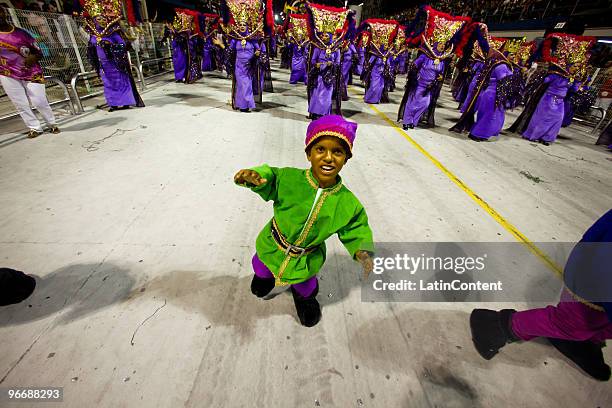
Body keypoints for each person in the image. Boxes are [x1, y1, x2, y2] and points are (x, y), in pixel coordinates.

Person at [234, 115, 374, 327]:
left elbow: (356, 227)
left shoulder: (348, 203)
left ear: (346, 158)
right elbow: (270, 175)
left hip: (306, 257)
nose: (328, 158)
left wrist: (363, 250)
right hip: (273, 244)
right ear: (309, 154)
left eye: (337, 152)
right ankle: (264, 278)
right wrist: (255, 176)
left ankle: (304, 300)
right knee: (261, 266)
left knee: (305, 284)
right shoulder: (288, 178)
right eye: (320, 150)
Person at [470, 209, 612, 381]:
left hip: (598, 263)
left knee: (592, 324)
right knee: (574, 321)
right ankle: (496, 327)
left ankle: (582, 339)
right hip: (597, 270)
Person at [510, 33, 596, 146]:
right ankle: (534, 135)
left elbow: (575, 89)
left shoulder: (572, 78)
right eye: (574, 66)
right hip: (548, 99)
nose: (576, 68)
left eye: (577, 67)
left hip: (560, 101)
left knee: (557, 119)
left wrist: (580, 86)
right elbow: (543, 81)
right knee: (542, 118)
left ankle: (547, 138)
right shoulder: (555, 74)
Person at [398, 6, 469, 129]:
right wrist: (414, 77)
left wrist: (439, 78)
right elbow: (414, 66)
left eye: (443, 45)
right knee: (413, 103)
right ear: (435, 44)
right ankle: (407, 121)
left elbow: (440, 73)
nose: (442, 46)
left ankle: (413, 121)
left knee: (424, 104)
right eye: (440, 44)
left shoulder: (441, 60)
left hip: (429, 87)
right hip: (419, 84)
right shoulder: (425, 55)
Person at [0, 6, 59, 138]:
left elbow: (38, 52)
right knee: (20, 103)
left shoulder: (21, 33)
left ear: (4, 13)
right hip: (7, 74)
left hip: (32, 72)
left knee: (39, 101)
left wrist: (33, 57)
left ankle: (51, 123)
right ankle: (34, 128)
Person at [450, 35, 516, 142]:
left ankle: (480, 132)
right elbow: (504, 80)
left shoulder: (499, 64)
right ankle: (477, 134)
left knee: (489, 115)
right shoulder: (501, 66)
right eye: (512, 55)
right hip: (493, 94)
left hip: (492, 93)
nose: (514, 57)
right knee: (488, 116)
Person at [81, 0, 144, 112]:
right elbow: (91, 49)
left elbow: (123, 45)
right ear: (94, 20)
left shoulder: (113, 31)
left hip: (117, 64)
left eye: (104, 18)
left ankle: (126, 102)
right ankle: (113, 104)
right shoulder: (93, 35)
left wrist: (110, 46)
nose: (102, 21)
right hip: (104, 66)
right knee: (108, 84)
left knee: (122, 81)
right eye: (99, 19)